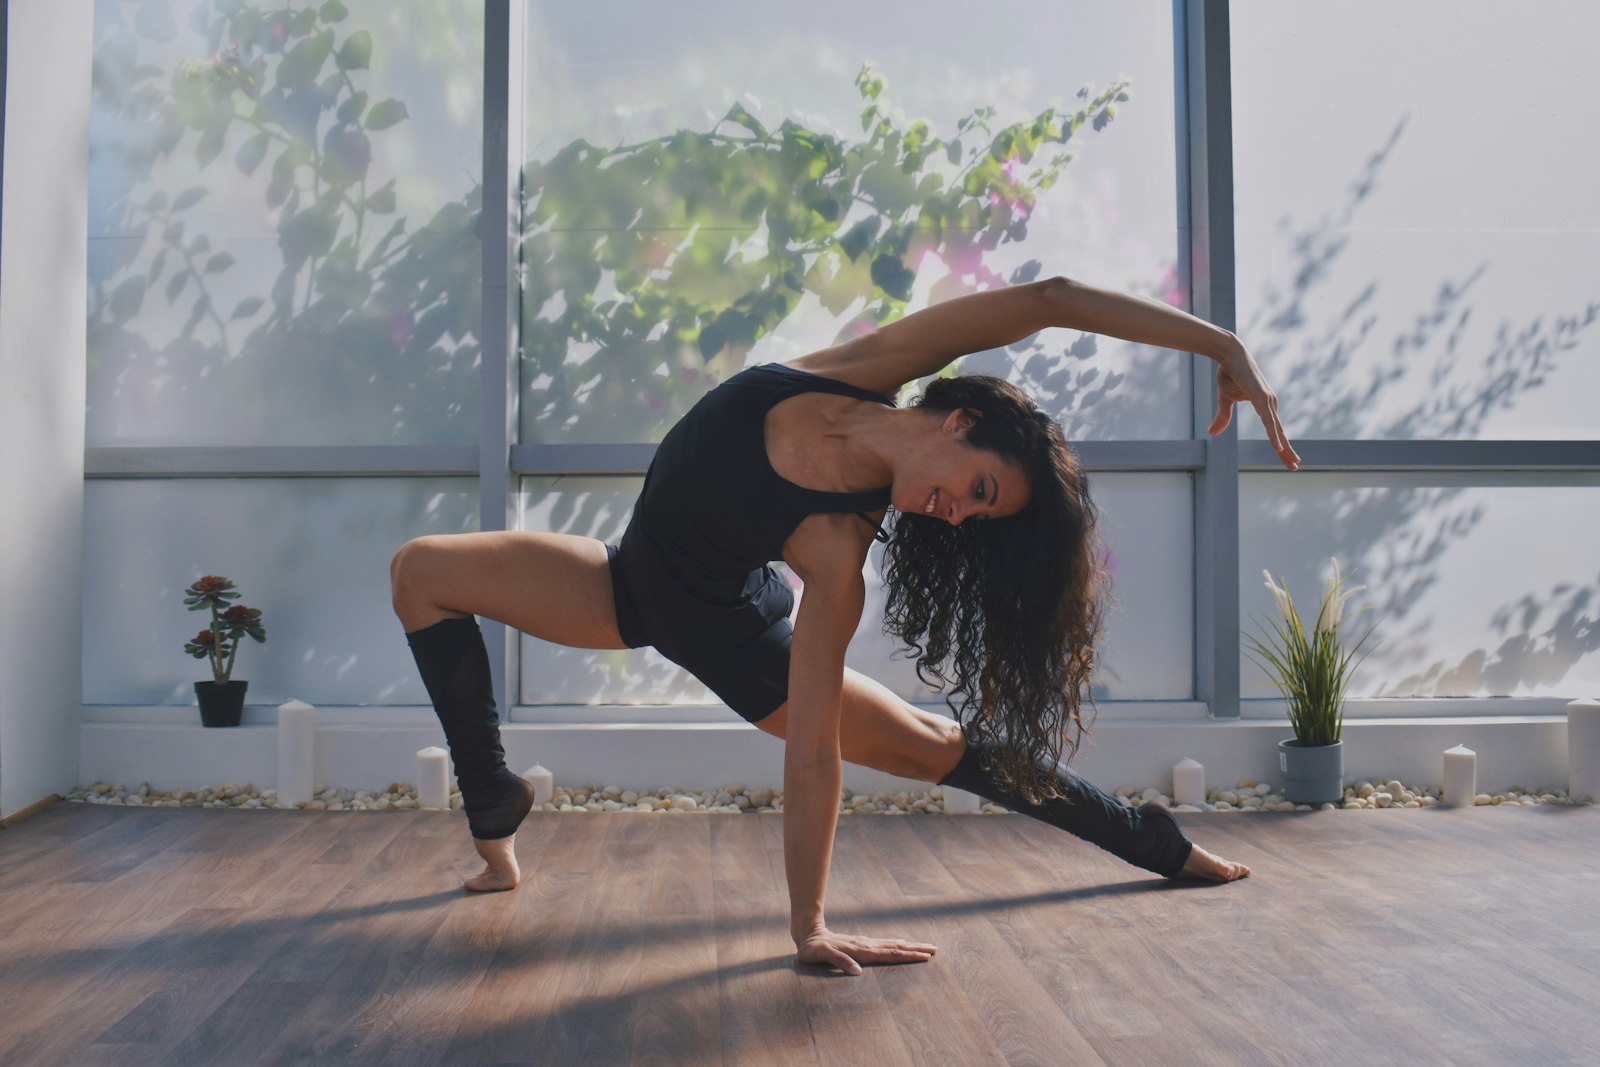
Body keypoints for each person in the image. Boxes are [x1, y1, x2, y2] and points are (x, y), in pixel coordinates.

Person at [390, 275, 1300, 976]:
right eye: (978, 488)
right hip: (624, 586)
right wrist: (1219, 341)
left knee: (931, 748)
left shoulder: (836, 549)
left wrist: (808, 923)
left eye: (979, 518)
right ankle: (494, 803)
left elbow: (815, 750)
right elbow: (1048, 300)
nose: (957, 513)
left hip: (730, 639)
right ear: (958, 421)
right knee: (420, 575)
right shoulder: (859, 369)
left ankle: (1147, 839)